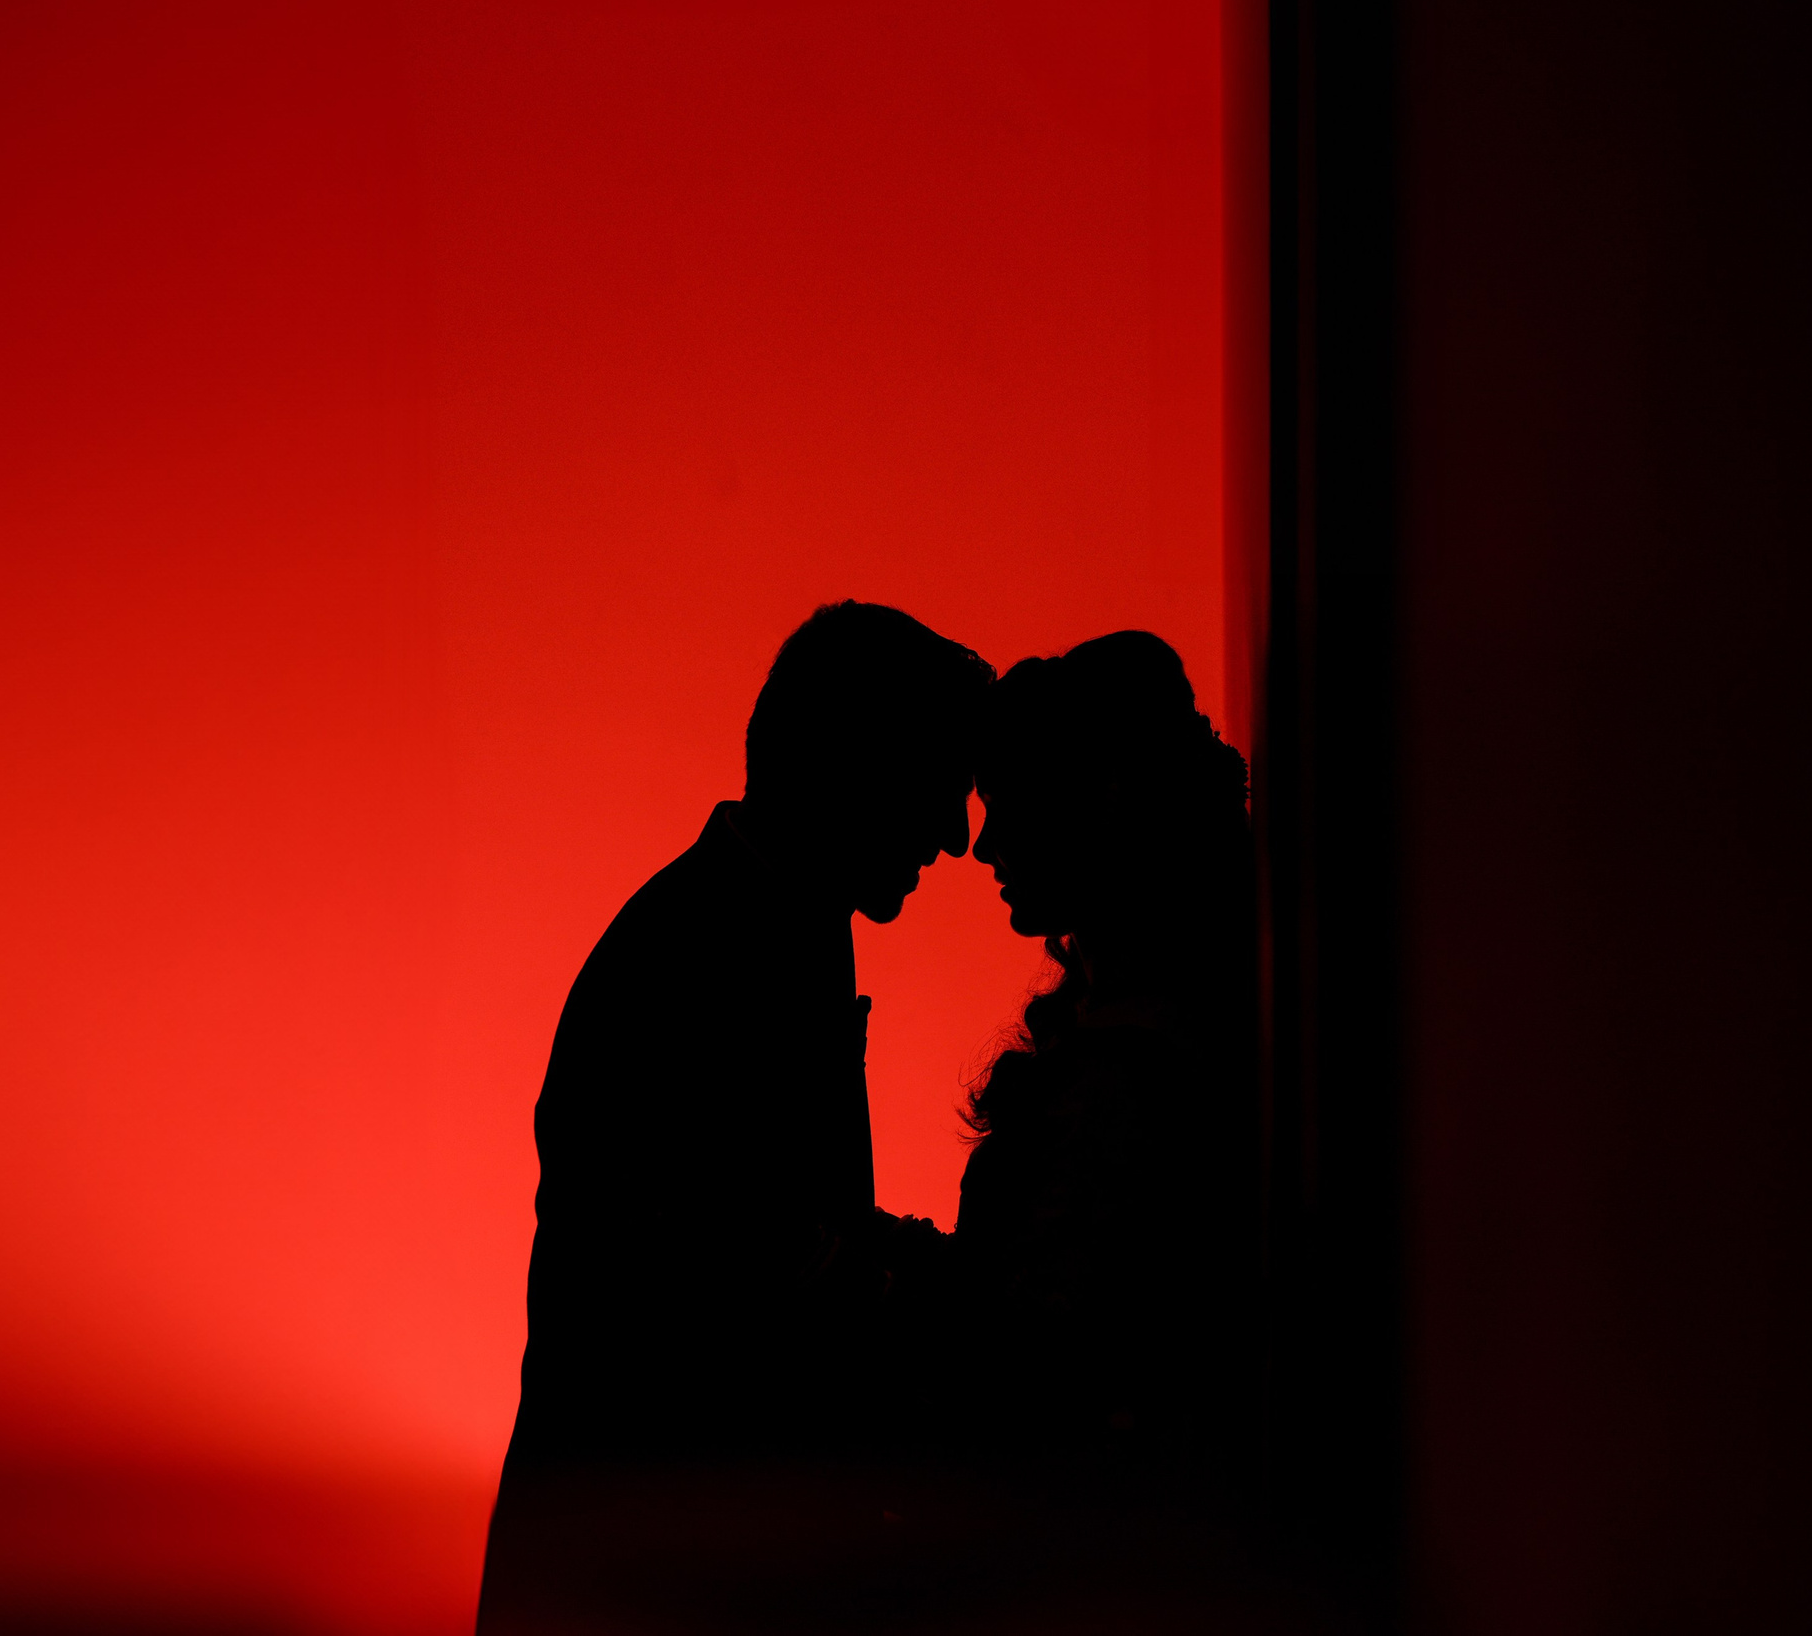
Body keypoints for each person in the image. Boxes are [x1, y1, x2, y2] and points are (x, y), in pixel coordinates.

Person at [478, 601, 989, 1629]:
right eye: (935, 779)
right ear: (850, 763)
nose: (955, 834)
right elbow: (732, 1247)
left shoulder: (764, 926)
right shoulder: (701, 950)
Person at [949, 631, 1259, 1495]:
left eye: (1006, 804)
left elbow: (1054, 1340)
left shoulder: (1152, 1067)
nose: (983, 844)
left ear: (1104, 797)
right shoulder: (1124, 1023)